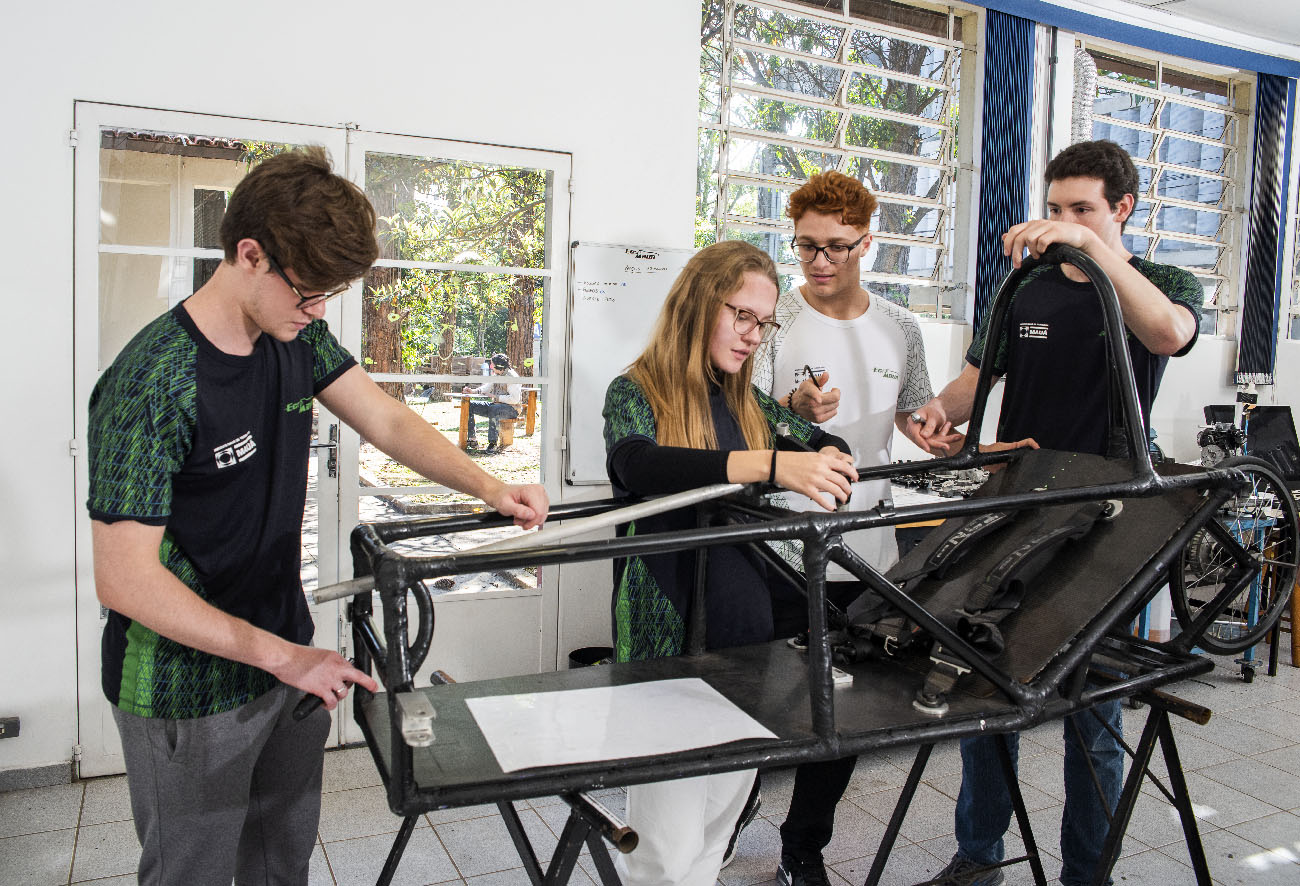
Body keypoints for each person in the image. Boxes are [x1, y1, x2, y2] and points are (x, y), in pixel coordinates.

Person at [86, 147, 549, 886]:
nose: (318, 311)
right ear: (249, 255)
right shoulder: (152, 382)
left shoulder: (295, 335)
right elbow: (124, 580)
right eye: (307, 292)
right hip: (183, 687)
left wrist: (490, 487)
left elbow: (388, 421)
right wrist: (283, 656)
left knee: (281, 866)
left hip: (287, 660)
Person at [912, 139, 1203, 886]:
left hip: (1107, 523)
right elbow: (977, 380)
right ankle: (978, 857)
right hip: (1018, 508)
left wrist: (1089, 248)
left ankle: (1086, 874)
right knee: (981, 690)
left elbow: (1168, 332)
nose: (1063, 222)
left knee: (1092, 713)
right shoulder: (1029, 286)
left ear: (1122, 209)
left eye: (1083, 210)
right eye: (1056, 209)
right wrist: (932, 417)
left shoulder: (1155, 281)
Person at [602, 239, 858, 886]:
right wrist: (772, 464)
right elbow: (637, 464)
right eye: (740, 315)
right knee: (663, 845)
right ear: (696, 303)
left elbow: (820, 441)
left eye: (763, 323)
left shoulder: (746, 400)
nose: (752, 335)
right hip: (669, 644)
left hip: (747, 640)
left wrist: (823, 435)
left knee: (717, 825)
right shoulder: (635, 390)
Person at [750, 170, 959, 886]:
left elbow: (915, 412)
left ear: (867, 241)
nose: (818, 261)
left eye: (836, 247)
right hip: (777, 545)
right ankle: (724, 816)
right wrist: (790, 407)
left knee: (846, 710)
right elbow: (740, 421)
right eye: (806, 246)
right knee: (760, 694)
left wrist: (928, 430)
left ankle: (802, 847)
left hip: (867, 546)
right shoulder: (772, 318)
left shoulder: (899, 325)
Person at [464, 352, 522, 451]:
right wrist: (473, 391)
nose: (491, 367)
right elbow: (487, 387)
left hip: (512, 409)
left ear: (499, 366)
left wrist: (496, 397)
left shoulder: (512, 377)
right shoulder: (497, 374)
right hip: (495, 406)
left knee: (494, 409)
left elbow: (514, 399)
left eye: (492, 365)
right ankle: (472, 439)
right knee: (470, 405)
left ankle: (492, 443)